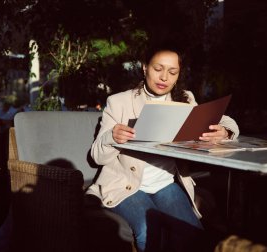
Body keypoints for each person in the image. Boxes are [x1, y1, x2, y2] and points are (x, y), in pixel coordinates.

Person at [86, 43, 239, 252]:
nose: (164, 77)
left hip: (165, 182)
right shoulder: (119, 102)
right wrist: (111, 137)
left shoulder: (185, 100)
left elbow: (225, 120)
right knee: (149, 231)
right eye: (158, 69)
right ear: (144, 67)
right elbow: (97, 157)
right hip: (127, 184)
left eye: (172, 71)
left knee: (192, 233)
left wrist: (225, 131)